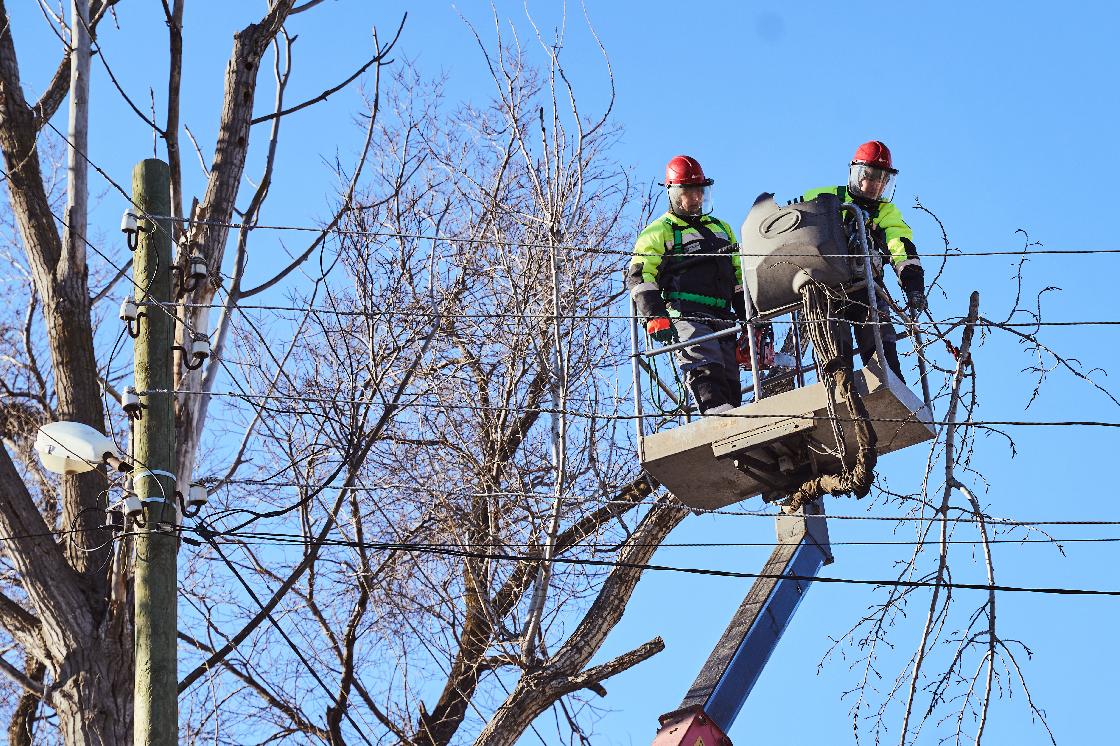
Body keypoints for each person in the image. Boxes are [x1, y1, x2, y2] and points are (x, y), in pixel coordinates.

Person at [626, 155, 747, 414]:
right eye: (689, 192)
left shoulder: (722, 229)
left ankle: (737, 424)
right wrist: (654, 316)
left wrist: (749, 320)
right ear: (673, 193)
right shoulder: (658, 232)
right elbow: (640, 275)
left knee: (730, 381)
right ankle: (717, 420)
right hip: (686, 313)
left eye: (700, 191)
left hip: (724, 316)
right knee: (705, 368)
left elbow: (738, 278)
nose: (696, 198)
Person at [802, 140, 926, 382]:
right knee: (836, 353)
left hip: (867, 286)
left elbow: (900, 246)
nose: (878, 185)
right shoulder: (824, 197)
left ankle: (889, 384)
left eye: (883, 180)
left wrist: (914, 286)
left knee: (882, 348)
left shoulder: (886, 213)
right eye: (873, 177)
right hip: (828, 287)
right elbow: (794, 226)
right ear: (858, 176)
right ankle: (841, 388)